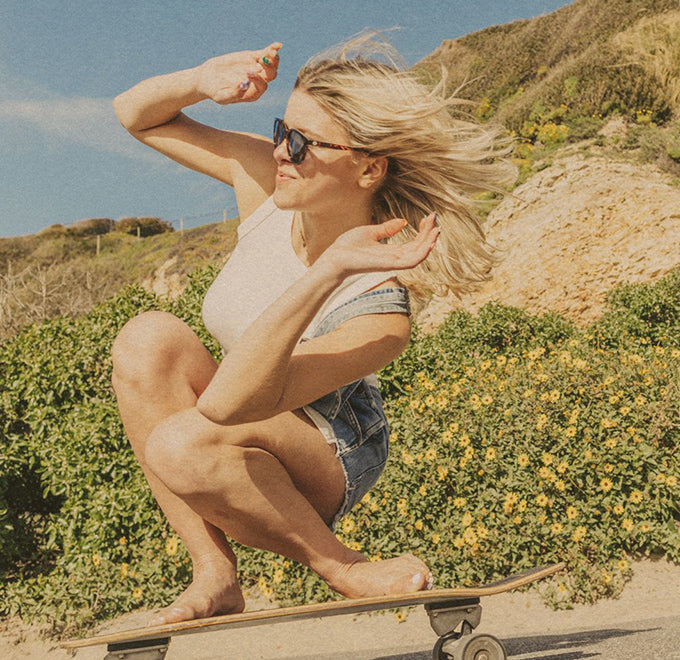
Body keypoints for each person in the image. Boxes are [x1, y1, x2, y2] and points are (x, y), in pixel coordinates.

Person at [111, 33, 509, 626]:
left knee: (182, 442)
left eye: (302, 143)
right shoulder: (268, 189)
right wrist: (202, 79)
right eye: (280, 130)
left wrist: (329, 270)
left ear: (369, 167)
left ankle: (343, 566)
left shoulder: (378, 307)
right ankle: (215, 574)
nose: (281, 152)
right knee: (147, 339)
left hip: (329, 450)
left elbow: (227, 404)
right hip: (240, 421)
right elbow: (135, 115)